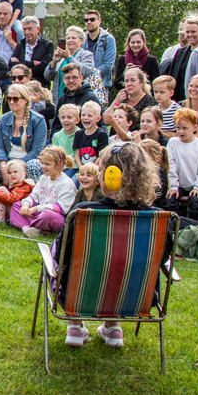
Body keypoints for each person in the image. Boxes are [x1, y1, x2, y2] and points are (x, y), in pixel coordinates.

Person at [55, 142, 168, 349]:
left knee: (70, 264)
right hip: (135, 299)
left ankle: (75, 326)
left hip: (80, 297)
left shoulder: (83, 213)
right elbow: (162, 259)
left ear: (111, 176)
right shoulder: (158, 220)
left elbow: (61, 256)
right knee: (122, 269)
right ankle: (113, 327)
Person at [9, 145, 76, 238]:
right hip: (39, 213)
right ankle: (28, 229)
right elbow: (34, 196)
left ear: (60, 165)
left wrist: (36, 209)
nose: (43, 167)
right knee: (16, 205)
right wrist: (26, 205)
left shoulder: (67, 183)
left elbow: (61, 208)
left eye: (47, 164)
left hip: (56, 217)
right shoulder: (44, 178)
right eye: (42, 163)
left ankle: (32, 226)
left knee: (46, 215)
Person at [0, 83, 47, 182]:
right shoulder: (5, 118)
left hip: (27, 161)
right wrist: (3, 165)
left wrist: (16, 165)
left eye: (15, 99)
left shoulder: (38, 120)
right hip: (8, 160)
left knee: (34, 165)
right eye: (8, 98)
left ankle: (33, 193)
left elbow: (37, 151)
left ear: (25, 100)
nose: (11, 102)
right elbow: (0, 147)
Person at [166, 108, 198, 220]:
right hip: (179, 184)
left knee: (195, 202)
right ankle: (173, 228)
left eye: (185, 128)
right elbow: (171, 165)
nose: (181, 132)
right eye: (178, 128)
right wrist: (174, 186)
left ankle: (194, 228)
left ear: (195, 127)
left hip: (195, 183)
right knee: (171, 200)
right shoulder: (172, 143)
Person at [44, 25, 96, 100]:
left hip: (77, 99)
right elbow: (47, 77)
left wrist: (69, 58)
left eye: (73, 38)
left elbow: (85, 71)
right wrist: (54, 62)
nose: (70, 40)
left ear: (81, 41)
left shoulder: (86, 55)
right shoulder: (61, 58)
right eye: (68, 38)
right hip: (59, 98)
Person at [50, 63, 101, 135]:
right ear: (64, 80)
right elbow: (57, 124)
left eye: (74, 77)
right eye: (68, 78)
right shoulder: (62, 99)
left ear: (81, 78)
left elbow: (98, 124)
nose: (71, 81)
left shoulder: (90, 98)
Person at [163, 16, 198, 100]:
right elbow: (173, 78)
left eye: (193, 32)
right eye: (187, 32)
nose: (190, 35)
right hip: (181, 101)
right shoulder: (180, 53)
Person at [0, 160, 34, 225]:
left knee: (2, 191)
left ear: (24, 173)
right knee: (1, 194)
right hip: (15, 211)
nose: (12, 175)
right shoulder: (16, 184)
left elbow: (11, 199)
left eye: (15, 172)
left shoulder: (25, 186)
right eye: (9, 173)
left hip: (21, 214)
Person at [112, 29, 160, 96]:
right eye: (133, 42)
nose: (135, 45)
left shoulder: (151, 60)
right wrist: (125, 72)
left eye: (138, 42)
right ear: (128, 43)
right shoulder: (122, 60)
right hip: (127, 97)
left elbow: (156, 83)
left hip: (146, 97)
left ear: (144, 42)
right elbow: (117, 85)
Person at [10, 16, 53, 87]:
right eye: (24, 29)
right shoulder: (21, 44)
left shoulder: (47, 45)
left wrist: (21, 65)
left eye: (30, 29)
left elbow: (44, 66)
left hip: (39, 85)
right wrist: (33, 63)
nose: (27, 32)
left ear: (38, 29)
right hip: (20, 84)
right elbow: (12, 64)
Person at [83, 10, 116, 93]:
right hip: (83, 84)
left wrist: (91, 75)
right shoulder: (81, 39)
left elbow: (108, 65)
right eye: (86, 20)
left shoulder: (108, 39)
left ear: (99, 21)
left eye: (92, 19)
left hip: (102, 84)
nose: (89, 22)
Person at [73, 101, 108, 170]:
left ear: (98, 119)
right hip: (81, 168)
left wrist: (90, 168)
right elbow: (77, 153)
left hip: (95, 169)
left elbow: (102, 155)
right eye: (83, 115)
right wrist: (81, 167)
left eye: (90, 115)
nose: (86, 118)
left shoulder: (101, 134)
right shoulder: (78, 133)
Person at [51, 104, 79, 171]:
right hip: (60, 167)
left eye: (69, 117)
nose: (65, 120)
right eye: (63, 117)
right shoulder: (56, 136)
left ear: (77, 120)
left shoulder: (80, 134)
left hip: (75, 166)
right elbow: (55, 155)